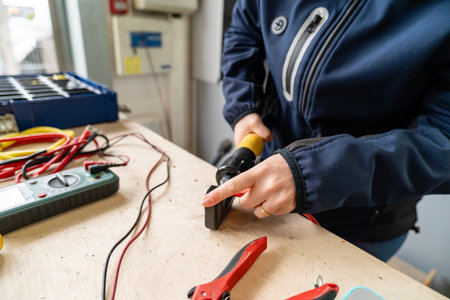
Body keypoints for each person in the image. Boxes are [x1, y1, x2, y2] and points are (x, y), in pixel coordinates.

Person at [201, 0, 450, 262]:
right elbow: (245, 26)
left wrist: (312, 174)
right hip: (273, 200)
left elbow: (442, 142)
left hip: (361, 226)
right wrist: (244, 106)